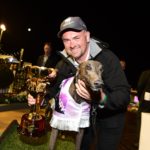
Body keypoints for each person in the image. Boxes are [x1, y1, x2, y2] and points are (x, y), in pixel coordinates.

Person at [28, 16, 131, 150]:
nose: (71, 44)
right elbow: (55, 92)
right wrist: (39, 99)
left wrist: (99, 98)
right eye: (67, 40)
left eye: (76, 38)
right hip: (84, 121)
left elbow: (123, 95)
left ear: (87, 36)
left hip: (109, 121)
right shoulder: (64, 64)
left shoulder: (107, 59)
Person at [136, 69, 150, 148]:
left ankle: (141, 141)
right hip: (146, 101)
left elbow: (140, 86)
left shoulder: (146, 73)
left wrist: (140, 97)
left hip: (146, 102)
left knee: (141, 119)